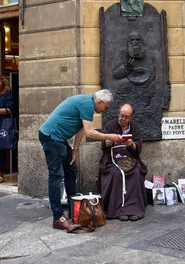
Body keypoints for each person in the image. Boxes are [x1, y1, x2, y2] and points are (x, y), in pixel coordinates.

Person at [39, 90, 124, 232]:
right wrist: (110, 136)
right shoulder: (87, 104)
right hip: (51, 136)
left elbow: (82, 131)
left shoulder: (88, 104)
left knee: (71, 170)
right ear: (100, 102)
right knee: (56, 176)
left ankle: (74, 210)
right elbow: (90, 132)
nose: (105, 110)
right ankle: (58, 218)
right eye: (106, 107)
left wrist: (74, 149)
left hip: (58, 138)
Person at [98, 103, 147, 221]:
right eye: (121, 115)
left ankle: (134, 209)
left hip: (129, 159)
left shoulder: (135, 128)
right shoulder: (110, 125)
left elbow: (138, 147)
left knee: (135, 173)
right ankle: (118, 210)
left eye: (126, 117)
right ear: (118, 113)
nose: (123, 119)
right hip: (112, 160)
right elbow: (103, 145)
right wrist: (111, 139)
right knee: (116, 173)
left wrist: (131, 144)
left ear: (131, 118)